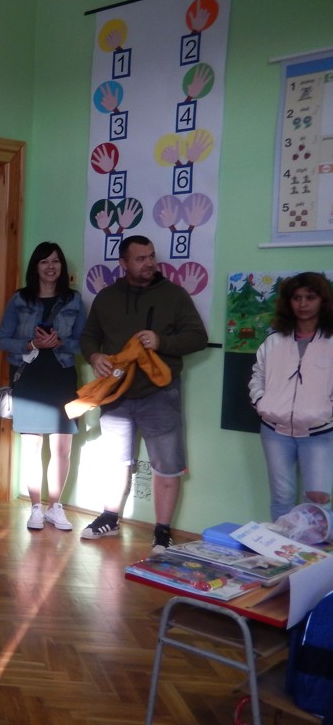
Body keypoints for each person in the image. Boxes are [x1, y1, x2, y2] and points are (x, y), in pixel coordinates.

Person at [79, 235, 208, 550]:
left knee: (167, 465)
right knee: (115, 461)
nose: (149, 263)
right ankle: (110, 518)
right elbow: (89, 336)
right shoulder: (107, 297)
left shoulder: (174, 295)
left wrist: (161, 342)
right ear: (123, 263)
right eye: (140, 258)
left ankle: (162, 531)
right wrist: (94, 357)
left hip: (160, 393)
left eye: (151, 256)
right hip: (115, 394)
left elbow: (198, 337)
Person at [0, 242, 86, 532]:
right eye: (44, 261)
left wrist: (60, 342)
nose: (51, 266)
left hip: (62, 376)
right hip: (29, 376)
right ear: (35, 266)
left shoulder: (73, 300)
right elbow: (1, 340)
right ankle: (35, 507)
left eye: (56, 261)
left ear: (62, 267)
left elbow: (84, 342)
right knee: (32, 449)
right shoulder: (20, 299)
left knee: (62, 448)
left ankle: (55, 507)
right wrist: (31, 343)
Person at [248, 271, 333, 521]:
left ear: (323, 301)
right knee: (281, 497)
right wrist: (261, 402)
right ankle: (281, 545)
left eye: (310, 297)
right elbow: (257, 376)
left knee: (317, 501)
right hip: (275, 431)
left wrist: (326, 411)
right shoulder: (274, 341)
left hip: (319, 433)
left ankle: (315, 547)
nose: (303, 304)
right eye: (297, 298)